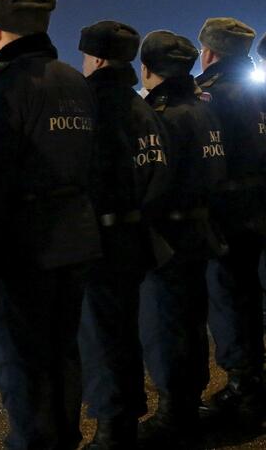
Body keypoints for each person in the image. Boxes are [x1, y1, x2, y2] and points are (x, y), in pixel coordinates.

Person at [0, 0, 100, 450]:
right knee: (63, 353)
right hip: (75, 235)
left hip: (22, 245)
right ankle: (64, 439)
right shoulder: (74, 81)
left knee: (20, 362)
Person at [75, 21, 172, 449]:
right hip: (134, 235)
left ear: (94, 58)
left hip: (97, 240)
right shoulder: (142, 107)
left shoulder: (90, 106)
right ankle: (125, 420)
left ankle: (113, 429)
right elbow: (158, 172)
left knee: (100, 337)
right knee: (123, 331)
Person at [135, 30, 228, 449]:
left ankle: (175, 415)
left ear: (148, 69)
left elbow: (152, 181)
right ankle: (187, 405)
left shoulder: (161, 114)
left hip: (168, 235)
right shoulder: (203, 108)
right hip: (199, 229)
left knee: (165, 325)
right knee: (191, 323)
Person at [194, 18, 266, 429]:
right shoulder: (259, 95)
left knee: (229, 300)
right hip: (260, 208)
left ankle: (243, 389)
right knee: (252, 299)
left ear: (210, 52)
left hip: (227, 214)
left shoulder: (212, 96)